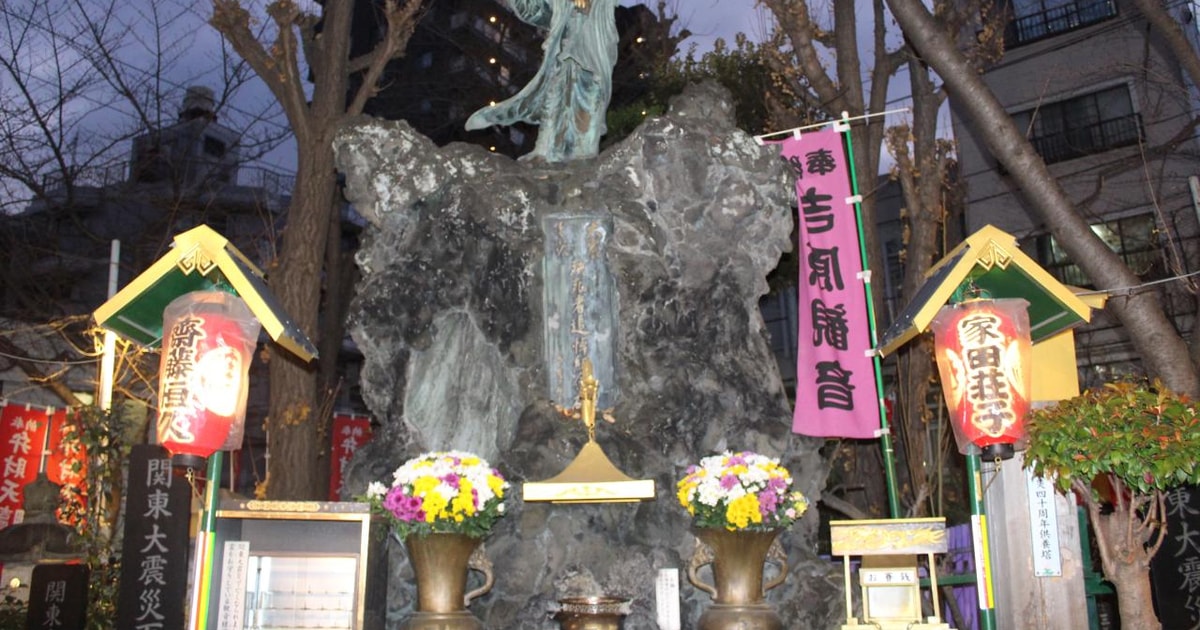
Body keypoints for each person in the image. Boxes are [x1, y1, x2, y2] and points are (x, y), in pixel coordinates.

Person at [465, 0, 618, 162]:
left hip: (591, 41)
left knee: (587, 89)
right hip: (564, 42)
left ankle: (583, 152)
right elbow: (536, 13)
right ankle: (545, 149)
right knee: (556, 90)